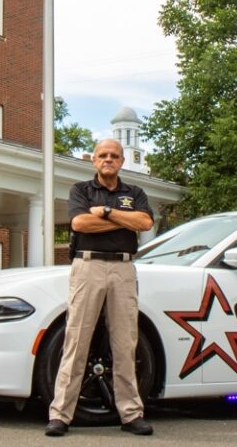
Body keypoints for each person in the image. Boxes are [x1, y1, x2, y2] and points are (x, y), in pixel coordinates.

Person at [45, 138, 155, 437]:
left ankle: (131, 414)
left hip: (123, 268)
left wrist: (105, 213)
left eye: (114, 156)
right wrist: (124, 221)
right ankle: (61, 415)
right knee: (76, 340)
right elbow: (79, 224)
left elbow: (144, 222)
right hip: (87, 266)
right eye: (103, 155)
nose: (108, 159)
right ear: (94, 160)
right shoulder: (81, 190)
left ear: (121, 161)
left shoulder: (135, 193)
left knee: (125, 342)